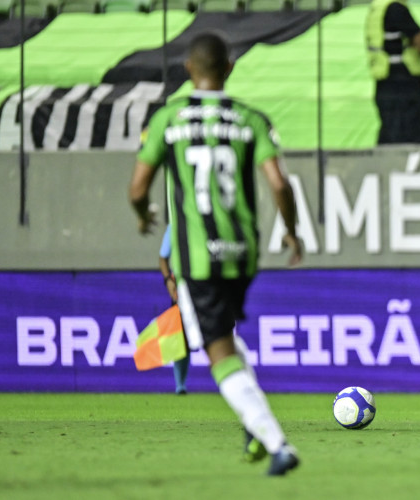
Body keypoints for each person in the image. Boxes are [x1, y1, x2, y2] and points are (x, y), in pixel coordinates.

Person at [129, 32, 304, 476]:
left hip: (197, 257)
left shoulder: (168, 119)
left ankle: (276, 441)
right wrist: (291, 232)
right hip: (242, 254)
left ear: (189, 70)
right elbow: (280, 184)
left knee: (217, 350)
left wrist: (142, 213)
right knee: (222, 335)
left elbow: (137, 188)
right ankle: (253, 421)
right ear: (229, 69)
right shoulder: (251, 119)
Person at [366, 0, 420, 144]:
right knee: (412, 135)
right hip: (404, 82)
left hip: (383, 79)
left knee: (390, 133)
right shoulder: (396, 8)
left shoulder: (376, 7)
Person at [158, 224, 190, 395]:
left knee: (217, 334)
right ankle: (180, 385)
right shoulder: (176, 225)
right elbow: (163, 257)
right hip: (182, 288)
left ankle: (227, 382)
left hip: (208, 285)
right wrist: (168, 280)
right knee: (181, 337)